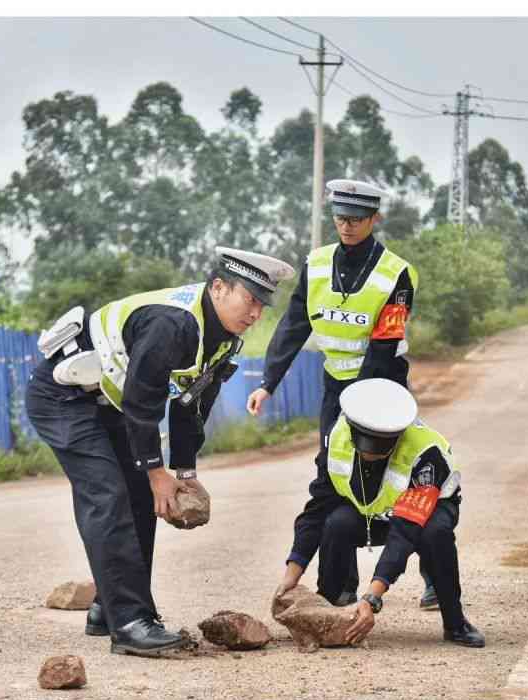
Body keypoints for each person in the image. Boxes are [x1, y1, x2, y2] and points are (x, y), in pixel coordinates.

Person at [25, 247, 294, 658]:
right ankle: (131, 625)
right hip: (63, 397)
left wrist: (183, 471)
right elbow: (142, 401)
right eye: (250, 299)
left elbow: (190, 404)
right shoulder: (173, 323)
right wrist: (155, 471)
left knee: (140, 500)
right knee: (108, 496)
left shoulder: (223, 339)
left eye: (262, 303)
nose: (256, 312)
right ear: (219, 288)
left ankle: (110, 609)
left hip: (107, 402)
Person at [246, 179, 438, 610]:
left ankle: (433, 577)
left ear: (375, 219)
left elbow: (384, 343)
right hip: (335, 385)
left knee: (409, 473)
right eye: (339, 218)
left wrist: (361, 411)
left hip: (383, 384)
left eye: (355, 219)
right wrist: (267, 383)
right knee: (335, 474)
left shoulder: (395, 272)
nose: (346, 226)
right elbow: (293, 327)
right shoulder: (315, 265)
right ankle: (339, 585)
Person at [273, 378, 485, 648]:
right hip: (372, 510)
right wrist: (292, 575)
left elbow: (405, 532)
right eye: (365, 449)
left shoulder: (425, 455)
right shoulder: (338, 439)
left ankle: (455, 623)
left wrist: (372, 598)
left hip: (429, 512)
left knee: (435, 534)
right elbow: (317, 508)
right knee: (337, 522)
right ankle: (327, 606)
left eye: (382, 449)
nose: (371, 455)